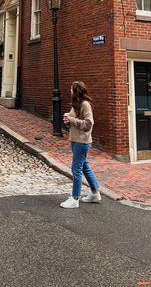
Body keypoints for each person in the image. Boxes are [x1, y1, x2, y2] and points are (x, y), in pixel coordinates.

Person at [60, 80, 101, 209]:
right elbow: (77, 120)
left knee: (76, 168)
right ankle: (95, 193)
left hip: (82, 142)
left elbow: (89, 124)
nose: (70, 91)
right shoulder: (76, 104)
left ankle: (75, 198)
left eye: (71, 89)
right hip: (76, 140)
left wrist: (72, 120)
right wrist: (69, 119)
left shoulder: (85, 104)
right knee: (84, 166)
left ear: (76, 91)